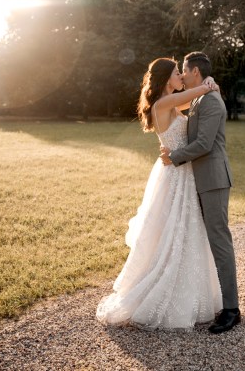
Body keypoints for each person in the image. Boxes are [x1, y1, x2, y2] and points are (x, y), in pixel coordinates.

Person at [96, 57, 222, 330]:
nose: (181, 76)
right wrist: (208, 83)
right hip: (174, 175)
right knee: (173, 231)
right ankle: (161, 292)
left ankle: (190, 292)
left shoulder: (174, 104)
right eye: (178, 73)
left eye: (182, 72)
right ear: (167, 78)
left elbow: (195, 100)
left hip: (181, 170)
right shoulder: (162, 104)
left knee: (187, 231)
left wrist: (208, 87)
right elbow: (199, 92)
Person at [160, 52, 240, 334]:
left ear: (194, 71)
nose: (181, 75)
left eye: (183, 70)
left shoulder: (211, 102)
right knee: (210, 240)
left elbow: (205, 143)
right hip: (201, 179)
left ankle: (232, 309)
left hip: (214, 179)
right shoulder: (199, 97)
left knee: (220, 240)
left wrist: (175, 156)